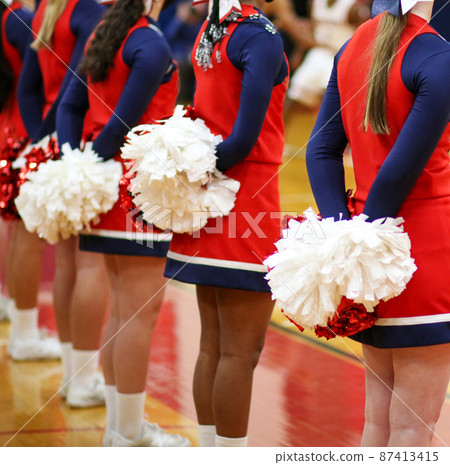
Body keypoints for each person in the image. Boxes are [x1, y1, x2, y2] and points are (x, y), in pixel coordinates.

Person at [306, 0, 450, 446]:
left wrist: (344, 238)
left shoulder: (352, 45)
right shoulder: (437, 55)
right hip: (422, 255)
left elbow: (319, 150)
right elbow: (403, 171)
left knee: (378, 421)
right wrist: (363, 238)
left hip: (370, 257)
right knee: (412, 428)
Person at [57, 0, 191, 447]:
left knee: (122, 311)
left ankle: (121, 428)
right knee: (136, 314)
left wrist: (76, 162)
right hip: (135, 192)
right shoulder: (149, 42)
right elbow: (125, 121)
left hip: (103, 191)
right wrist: (95, 162)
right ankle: (128, 431)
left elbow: (69, 106)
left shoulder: (104, 34)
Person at [165, 0, 289, 447]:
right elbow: (244, 136)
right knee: (239, 352)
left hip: (208, 203)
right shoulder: (259, 34)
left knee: (213, 346)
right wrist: (192, 170)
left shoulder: (212, 28)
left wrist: (188, 174)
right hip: (247, 200)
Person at [17, 0, 108, 406]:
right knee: (90, 265)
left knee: (70, 264)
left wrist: (40, 138)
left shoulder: (47, 9)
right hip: (81, 145)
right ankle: (83, 380)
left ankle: (75, 376)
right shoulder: (88, 12)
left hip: (58, 144)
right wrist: (61, 142)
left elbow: (28, 87)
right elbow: (76, 89)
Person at [1, 0, 63, 359]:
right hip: (25, 130)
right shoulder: (19, 19)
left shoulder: (14, 16)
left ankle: (16, 313)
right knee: (27, 235)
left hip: (11, 124)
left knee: (17, 232)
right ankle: (24, 334)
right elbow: (40, 77)